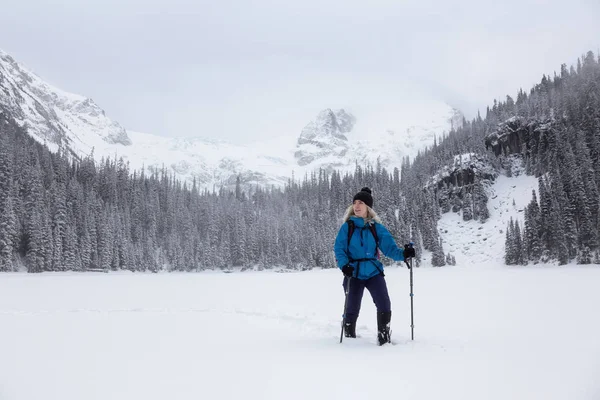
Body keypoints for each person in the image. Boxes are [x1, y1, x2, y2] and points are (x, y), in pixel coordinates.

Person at [334, 187, 407, 345]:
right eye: (354, 203)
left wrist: (405, 254)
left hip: (374, 272)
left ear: (368, 207)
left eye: (361, 202)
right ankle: (349, 337)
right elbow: (339, 249)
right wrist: (344, 265)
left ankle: (384, 338)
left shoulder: (377, 228)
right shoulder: (347, 227)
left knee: (384, 303)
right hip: (353, 273)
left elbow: (390, 249)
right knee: (352, 307)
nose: (357, 206)